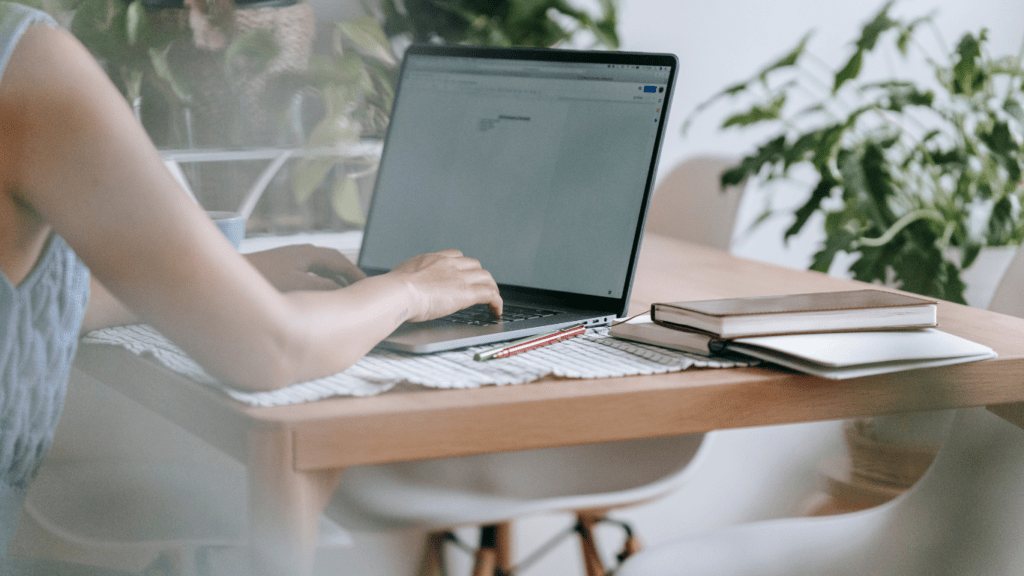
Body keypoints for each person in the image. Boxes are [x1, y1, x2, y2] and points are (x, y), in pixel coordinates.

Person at [0, 1, 502, 555]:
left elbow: (31, 311)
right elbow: (272, 349)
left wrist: (230, 281)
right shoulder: (27, 61)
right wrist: (412, 289)